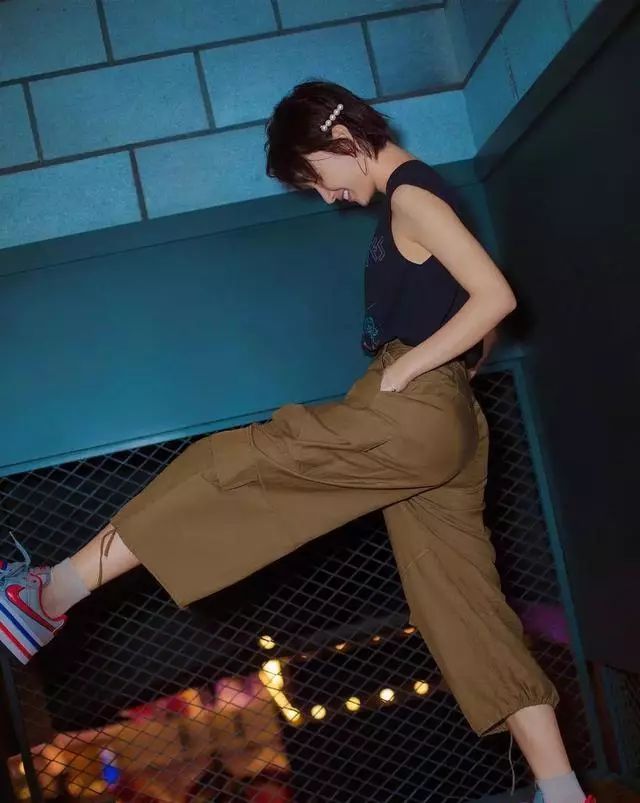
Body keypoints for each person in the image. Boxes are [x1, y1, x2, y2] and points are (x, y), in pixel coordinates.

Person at [0, 81, 593, 803]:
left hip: (413, 406)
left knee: (230, 462)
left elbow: (495, 296)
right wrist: (451, 371)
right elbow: (481, 321)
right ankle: (563, 790)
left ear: (341, 141)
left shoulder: (411, 196)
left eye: (316, 176)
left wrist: (410, 368)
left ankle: (48, 594)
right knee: (462, 604)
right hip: (450, 422)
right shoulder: (415, 197)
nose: (326, 195)